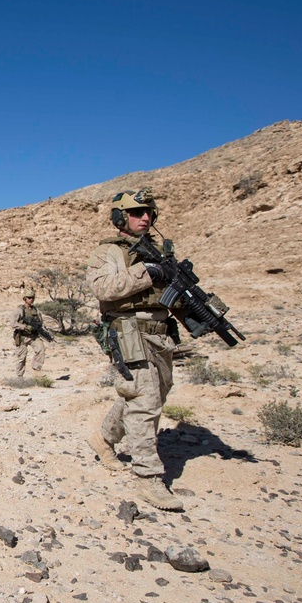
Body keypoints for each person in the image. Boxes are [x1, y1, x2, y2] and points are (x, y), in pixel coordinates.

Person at [85, 188, 183, 511]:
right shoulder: (108, 253)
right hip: (126, 330)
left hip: (160, 333)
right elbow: (103, 288)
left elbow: (171, 296)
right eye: (138, 212)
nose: (145, 218)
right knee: (144, 399)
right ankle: (148, 477)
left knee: (155, 391)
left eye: (149, 213)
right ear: (120, 217)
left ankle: (104, 438)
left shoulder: (157, 253)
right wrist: (146, 273)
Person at [11, 291, 47, 377]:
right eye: (29, 298)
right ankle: (19, 376)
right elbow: (13, 323)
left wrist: (44, 332)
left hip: (33, 336)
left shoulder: (36, 310)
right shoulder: (19, 310)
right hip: (21, 336)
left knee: (41, 349)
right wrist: (25, 327)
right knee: (21, 357)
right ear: (25, 299)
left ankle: (36, 370)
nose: (31, 299)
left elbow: (41, 323)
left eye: (33, 298)